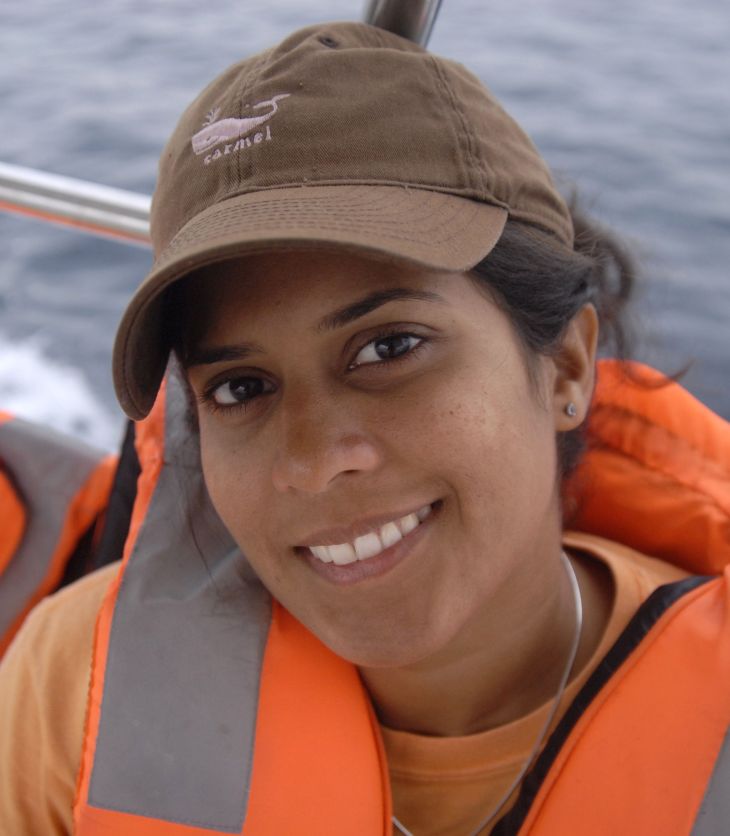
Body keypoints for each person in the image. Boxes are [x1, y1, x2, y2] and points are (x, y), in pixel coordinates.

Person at [1, 20, 729, 836]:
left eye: (389, 347)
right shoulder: (79, 684)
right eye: (242, 387)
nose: (314, 462)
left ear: (564, 367)